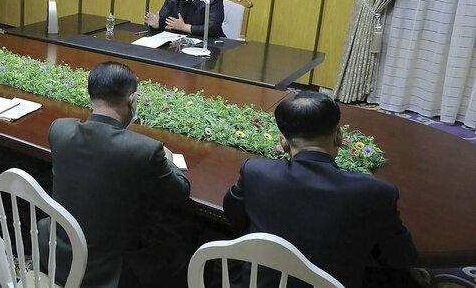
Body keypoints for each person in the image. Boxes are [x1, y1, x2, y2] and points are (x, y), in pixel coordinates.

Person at [223, 91, 417, 288]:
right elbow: (400, 256)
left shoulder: (255, 172)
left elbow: (234, 215)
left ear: (282, 143)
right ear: (339, 137)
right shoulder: (377, 192)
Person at [41, 61, 192, 287]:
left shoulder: (59, 129)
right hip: (105, 274)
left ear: (90, 96)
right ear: (132, 100)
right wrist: (168, 159)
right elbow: (180, 192)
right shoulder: (145, 150)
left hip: (54, 256)